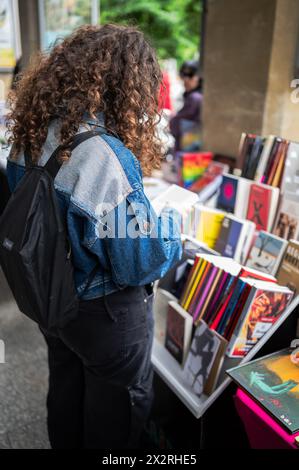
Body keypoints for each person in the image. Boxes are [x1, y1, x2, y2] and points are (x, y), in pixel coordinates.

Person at [5, 24, 182, 449]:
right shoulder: (103, 156)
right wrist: (173, 227)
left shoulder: (31, 133)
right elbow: (139, 261)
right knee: (117, 412)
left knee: (66, 390)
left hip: (50, 297)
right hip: (104, 314)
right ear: (125, 84)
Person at [169, 60, 203, 152]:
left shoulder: (195, 98)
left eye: (190, 75)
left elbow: (175, 123)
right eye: (183, 75)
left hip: (189, 151)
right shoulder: (190, 96)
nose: (186, 79)